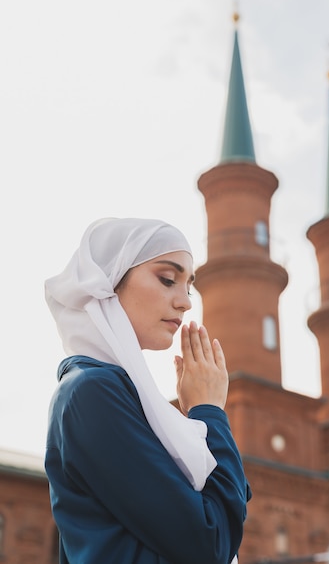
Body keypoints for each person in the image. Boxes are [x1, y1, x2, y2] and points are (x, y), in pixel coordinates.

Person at [45, 217, 251, 564]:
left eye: (189, 286)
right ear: (108, 282)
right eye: (168, 279)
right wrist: (209, 413)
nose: (185, 301)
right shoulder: (92, 392)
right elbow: (210, 542)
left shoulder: (120, 394)